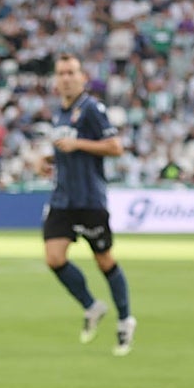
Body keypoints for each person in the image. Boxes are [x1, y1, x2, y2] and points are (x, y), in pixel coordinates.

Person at [43, 53, 135, 356]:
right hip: (62, 199)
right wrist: (49, 159)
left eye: (71, 72)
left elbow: (115, 147)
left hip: (89, 200)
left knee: (104, 261)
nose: (66, 78)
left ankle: (125, 320)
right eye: (61, 73)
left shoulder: (92, 108)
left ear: (82, 77)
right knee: (54, 258)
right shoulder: (59, 112)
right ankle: (91, 305)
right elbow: (66, 148)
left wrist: (78, 144)